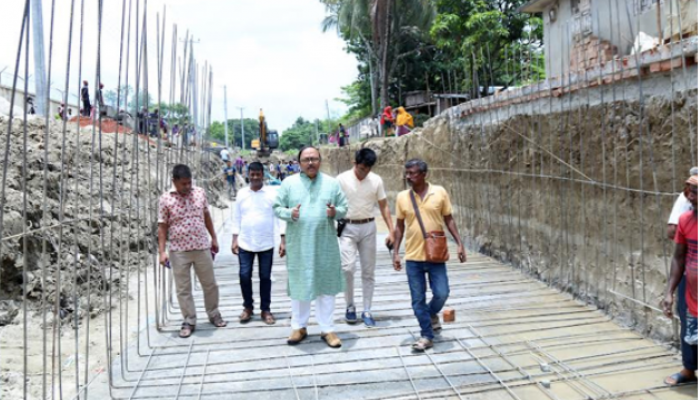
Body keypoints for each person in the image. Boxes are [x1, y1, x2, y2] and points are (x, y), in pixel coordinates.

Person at [273, 146, 348, 348]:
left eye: (314, 158)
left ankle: (327, 329)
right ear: (299, 163)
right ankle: (299, 326)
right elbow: (277, 207)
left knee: (326, 286)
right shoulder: (288, 183)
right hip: (299, 244)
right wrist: (290, 214)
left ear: (320, 161)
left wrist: (335, 213)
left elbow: (344, 207)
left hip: (326, 244)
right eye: (306, 159)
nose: (310, 163)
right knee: (301, 284)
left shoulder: (332, 184)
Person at [393, 159, 467, 351]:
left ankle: (429, 313)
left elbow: (448, 219)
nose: (408, 177)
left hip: (435, 254)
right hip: (413, 256)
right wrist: (395, 253)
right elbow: (399, 226)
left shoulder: (439, 192)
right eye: (407, 173)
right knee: (417, 298)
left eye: (413, 173)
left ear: (424, 174)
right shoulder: (402, 197)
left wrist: (459, 243)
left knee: (442, 293)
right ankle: (426, 335)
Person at [158, 164, 227, 338]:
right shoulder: (165, 199)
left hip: (202, 246)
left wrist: (214, 238)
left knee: (210, 284)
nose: (187, 187)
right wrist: (161, 252)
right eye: (183, 184)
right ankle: (189, 320)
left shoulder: (199, 193)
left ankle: (214, 313)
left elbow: (206, 216)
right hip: (178, 250)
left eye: (189, 183)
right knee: (183, 288)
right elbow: (162, 227)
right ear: (174, 181)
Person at [337, 148, 394, 327]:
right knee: (347, 268)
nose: (364, 172)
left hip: (369, 227)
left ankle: (367, 309)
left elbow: (384, 206)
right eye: (362, 168)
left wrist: (392, 231)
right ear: (355, 164)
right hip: (347, 227)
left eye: (368, 169)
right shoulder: (341, 179)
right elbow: (332, 203)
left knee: (368, 271)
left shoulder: (376, 180)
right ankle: (350, 305)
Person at [232, 162, 286, 325]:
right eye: (252, 174)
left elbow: (279, 216)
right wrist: (234, 238)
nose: (255, 177)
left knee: (265, 277)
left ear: (263, 175)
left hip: (266, 243)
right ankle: (248, 307)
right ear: (248, 175)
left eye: (258, 174)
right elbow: (237, 217)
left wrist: (282, 239)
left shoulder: (271, 194)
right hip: (245, 242)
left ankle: (265, 309)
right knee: (244, 275)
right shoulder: (241, 193)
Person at [663, 174, 698, 386]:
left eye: (695, 193)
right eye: (690, 193)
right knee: (688, 327)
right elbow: (678, 257)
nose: (690, 198)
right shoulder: (685, 219)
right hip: (690, 285)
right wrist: (669, 291)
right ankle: (688, 369)